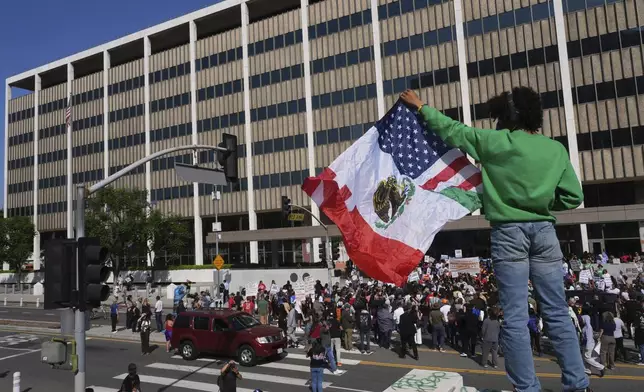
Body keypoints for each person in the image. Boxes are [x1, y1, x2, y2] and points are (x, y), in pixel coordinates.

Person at [401, 88, 590, 392]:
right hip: (544, 232)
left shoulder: (494, 142)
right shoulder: (555, 149)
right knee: (556, 312)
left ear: (506, 116)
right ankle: (578, 385)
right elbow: (573, 197)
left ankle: (527, 388)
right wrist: (539, 204)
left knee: (515, 317)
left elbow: (453, 131)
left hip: (508, 233)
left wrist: (421, 107)